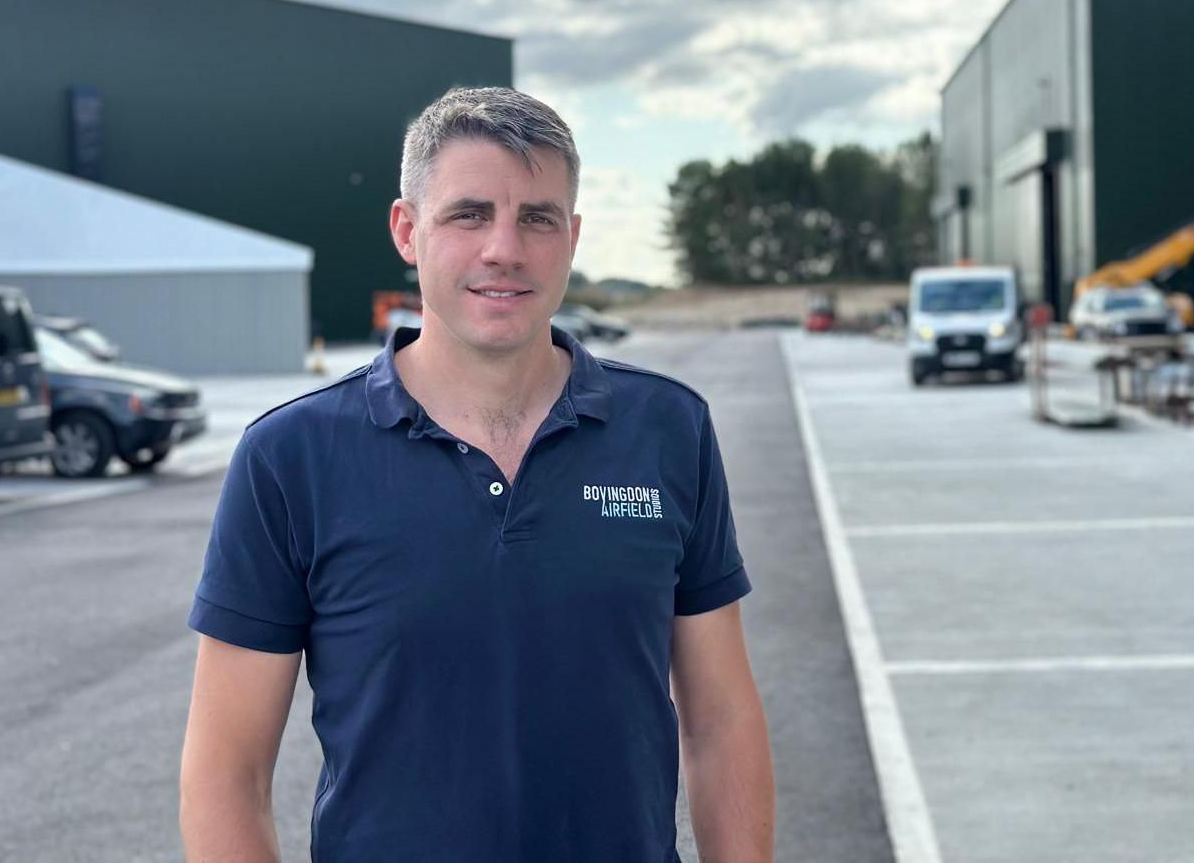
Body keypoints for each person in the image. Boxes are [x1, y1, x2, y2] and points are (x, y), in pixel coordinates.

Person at [178, 86, 775, 862]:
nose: (505, 248)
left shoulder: (668, 429)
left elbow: (720, 721)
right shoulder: (290, 457)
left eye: (538, 217)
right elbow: (227, 770)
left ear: (572, 236)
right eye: (468, 214)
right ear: (407, 229)